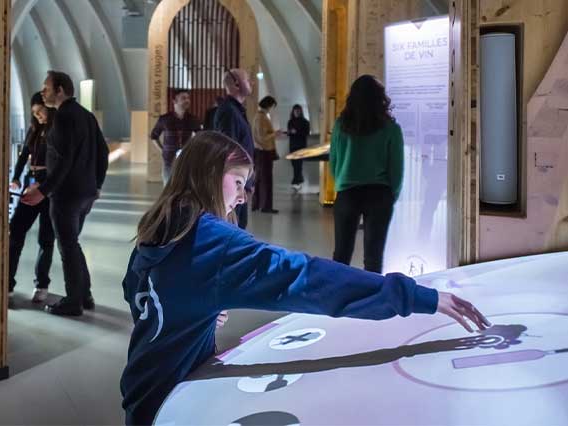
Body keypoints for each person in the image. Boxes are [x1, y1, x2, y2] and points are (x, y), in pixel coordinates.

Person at [119, 131, 490, 425]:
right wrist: (413, 296)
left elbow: (137, 292)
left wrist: (193, 312)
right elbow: (305, 277)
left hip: (142, 388)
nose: (243, 197)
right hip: (174, 402)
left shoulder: (160, 224)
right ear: (209, 175)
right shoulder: (212, 241)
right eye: (238, 182)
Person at [22, 71, 109, 316]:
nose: (43, 92)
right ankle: (85, 294)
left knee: (67, 246)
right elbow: (103, 152)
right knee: (72, 243)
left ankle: (73, 301)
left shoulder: (62, 118)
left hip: (66, 194)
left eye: (47, 88)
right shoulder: (86, 116)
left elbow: (63, 161)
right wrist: (98, 184)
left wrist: (43, 190)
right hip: (85, 193)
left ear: (60, 91)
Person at [329, 74, 403, 273]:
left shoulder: (341, 125)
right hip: (379, 194)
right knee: (374, 257)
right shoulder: (391, 128)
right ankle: (372, 299)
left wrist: (341, 183)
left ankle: (335, 296)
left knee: (341, 254)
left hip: (347, 193)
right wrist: (392, 194)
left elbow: (334, 160)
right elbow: (396, 168)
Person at [7, 92, 56, 303]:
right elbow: (23, 155)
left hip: (49, 187)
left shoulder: (57, 131)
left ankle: (42, 284)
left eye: (40, 112)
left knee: (46, 238)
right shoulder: (33, 130)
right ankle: (7, 283)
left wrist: (44, 186)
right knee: (16, 232)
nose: (38, 116)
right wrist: (16, 177)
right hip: (30, 182)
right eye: (34, 113)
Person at [214, 69, 255, 229]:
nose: (251, 82)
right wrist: (238, 186)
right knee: (234, 230)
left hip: (240, 184)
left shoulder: (236, 111)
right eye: (247, 79)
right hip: (234, 187)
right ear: (237, 84)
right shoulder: (229, 112)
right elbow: (228, 152)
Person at [150, 89, 200, 185]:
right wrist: (162, 150)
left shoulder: (192, 119)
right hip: (169, 160)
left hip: (185, 161)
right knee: (168, 189)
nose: (187, 100)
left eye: (188, 98)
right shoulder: (165, 119)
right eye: (183, 98)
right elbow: (154, 136)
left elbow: (200, 136)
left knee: (184, 189)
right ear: (174, 101)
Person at [252, 96, 284, 213]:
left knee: (260, 178)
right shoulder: (261, 118)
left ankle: (257, 204)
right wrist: (274, 134)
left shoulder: (260, 117)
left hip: (261, 151)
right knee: (266, 179)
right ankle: (266, 206)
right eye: (272, 107)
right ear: (269, 105)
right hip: (264, 151)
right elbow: (262, 137)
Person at [287, 104, 310, 189]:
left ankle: (296, 181)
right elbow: (289, 133)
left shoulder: (305, 122)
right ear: (293, 112)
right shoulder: (290, 122)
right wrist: (290, 132)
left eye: (298, 111)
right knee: (294, 164)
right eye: (295, 111)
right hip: (293, 145)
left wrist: (296, 132)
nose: (296, 112)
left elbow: (306, 133)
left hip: (301, 146)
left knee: (298, 164)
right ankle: (299, 179)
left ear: (300, 111)